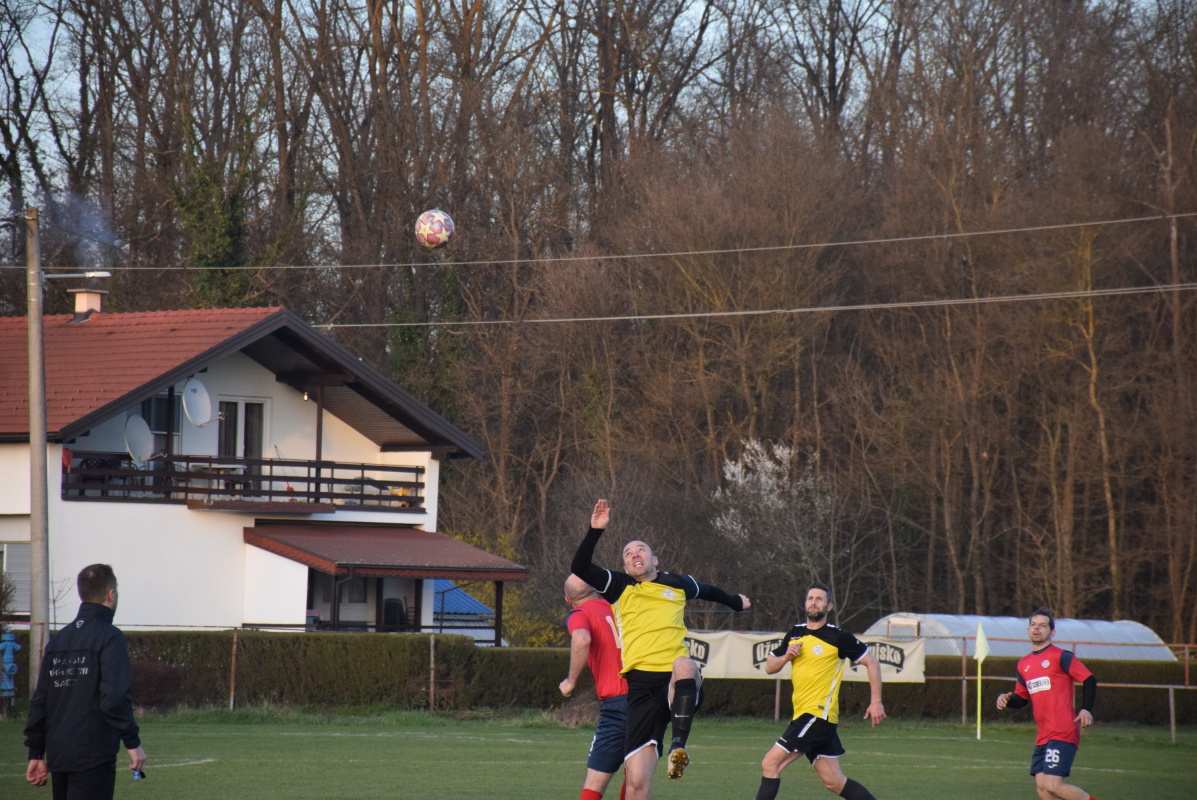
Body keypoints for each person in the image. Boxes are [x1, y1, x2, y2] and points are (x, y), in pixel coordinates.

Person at [571, 498, 751, 800]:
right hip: (639, 690)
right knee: (638, 785)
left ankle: (679, 746)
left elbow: (707, 590)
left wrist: (735, 601)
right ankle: (668, 750)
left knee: (685, 665)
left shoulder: (676, 584)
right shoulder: (620, 586)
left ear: (655, 560)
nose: (634, 554)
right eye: (628, 553)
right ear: (626, 565)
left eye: (640, 549)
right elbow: (580, 567)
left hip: (674, 680)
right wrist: (594, 531)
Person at [752, 581, 886, 800]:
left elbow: (872, 662)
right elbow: (769, 666)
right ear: (805, 603)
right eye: (811, 598)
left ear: (829, 606)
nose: (814, 603)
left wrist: (876, 702)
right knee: (834, 781)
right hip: (804, 715)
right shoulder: (795, 632)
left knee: (770, 763)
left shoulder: (838, 637)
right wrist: (787, 656)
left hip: (817, 715)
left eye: (820, 599)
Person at [24, 564, 147, 797]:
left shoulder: (58, 641)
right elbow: (113, 699)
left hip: (59, 755)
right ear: (111, 594)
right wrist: (133, 743)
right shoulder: (110, 637)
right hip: (93, 755)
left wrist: (36, 752)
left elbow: (40, 701)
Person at [996, 608, 1100, 800]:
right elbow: (1021, 698)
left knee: (1053, 785)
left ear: (1052, 632)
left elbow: (1089, 679)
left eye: (1043, 625)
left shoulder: (1061, 656)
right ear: (1028, 630)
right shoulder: (1024, 664)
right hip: (1043, 734)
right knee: (1043, 787)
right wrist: (1007, 699)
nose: (1037, 629)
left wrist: (1086, 708)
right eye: (1033, 625)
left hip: (1063, 729)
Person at [560, 574, 629, 800]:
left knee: (594, 783)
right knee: (637, 777)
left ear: (568, 600)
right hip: (648, 698)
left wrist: (570, 681)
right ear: (596, 590)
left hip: (618, 702)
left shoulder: (579, 614)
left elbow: (582, 639)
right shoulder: (619, 607)